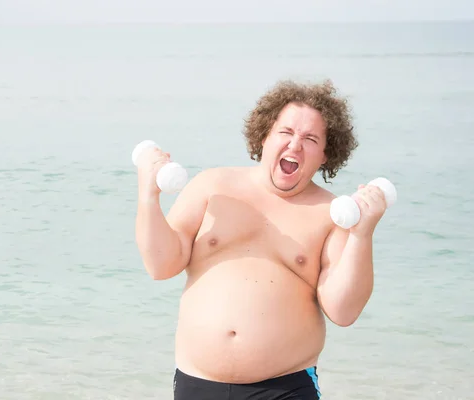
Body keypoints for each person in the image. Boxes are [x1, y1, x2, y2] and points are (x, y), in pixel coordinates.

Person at [134, 80, 389, 400]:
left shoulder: (330, 215)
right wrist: (148, 195)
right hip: (196, 384)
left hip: (284, 388)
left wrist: (362, 234)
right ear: (266, 135)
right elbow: (160, 265)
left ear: (325, 155)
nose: (295, 145)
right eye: (286, 132)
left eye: (310, 139)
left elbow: (343, 311)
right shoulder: (212, 186)